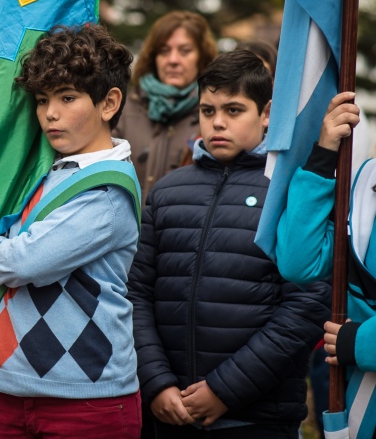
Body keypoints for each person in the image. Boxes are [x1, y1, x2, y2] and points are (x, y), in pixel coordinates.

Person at [127, 50, 330, 438]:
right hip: (169, 411)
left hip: (256, 417)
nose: (217, 122)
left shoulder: (289, 192)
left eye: (234, 110)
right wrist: (156, 382)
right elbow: (136, 294)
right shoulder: (168, 191)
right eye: (207, 110)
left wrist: (225, 390)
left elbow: (306, 303)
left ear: (266, 113)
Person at [0, 24, 142, 438]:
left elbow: (22, 263)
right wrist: (7, 47)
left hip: (85, 400)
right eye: (41, 100)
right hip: (7, 388)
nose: (49, 114)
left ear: (109, 102)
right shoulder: (39, 164)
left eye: (67, 97)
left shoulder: (107, 190)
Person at [274, 90, 376, 437]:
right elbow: (298, 262)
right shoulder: (365, 181)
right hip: (359, 409)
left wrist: (361, 342)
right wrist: (323, 155)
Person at [114, 10, 217, 202]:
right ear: (153, 57)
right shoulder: (122, 108)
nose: (173, 60)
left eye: (185, 51)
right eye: (164, 51)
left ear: (202, 57)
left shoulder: (213, 115)